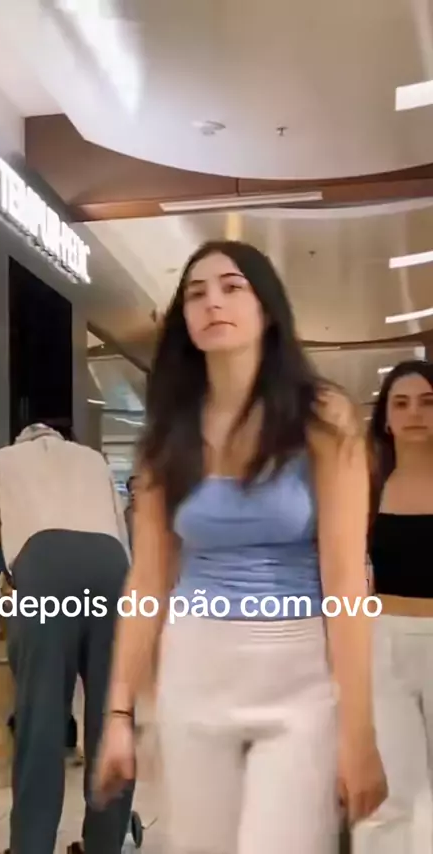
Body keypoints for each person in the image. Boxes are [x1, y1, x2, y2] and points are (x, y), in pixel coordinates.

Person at [93, 240, 387, 854]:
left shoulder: (322, 417)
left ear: (267, 310)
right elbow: (147, 581)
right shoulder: (167, 436)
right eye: (196, 293)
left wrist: (359, 732)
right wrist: (120, 713)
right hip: (196, 669)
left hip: (298, 672)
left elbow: (344, 580)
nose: (213, 302)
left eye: (232, 287)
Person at [0, 422, 134, 854]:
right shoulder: (93, 460)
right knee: (111, 715)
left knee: (41, 719)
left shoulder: (5, 460)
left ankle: (32, 845)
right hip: (111, 571)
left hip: (44, 574)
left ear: (23, 439)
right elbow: (120, 532)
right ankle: (104, 844)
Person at [354, 360, 433, 854]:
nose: (414, 413)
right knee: (395, 787)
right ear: (386, 417)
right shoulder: (369, 485)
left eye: (427, 402)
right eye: (401, 404)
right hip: (384, 639)